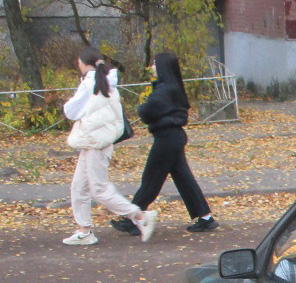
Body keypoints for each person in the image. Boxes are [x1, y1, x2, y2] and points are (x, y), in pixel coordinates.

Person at [112, 52, 218, 235]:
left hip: (166, 138)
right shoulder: (172, 86)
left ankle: (134, 219)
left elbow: (147, 111)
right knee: (184, 179)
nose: (152, 66)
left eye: (155, 63)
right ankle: (206, 218)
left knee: (151, 179)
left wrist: (140, 108)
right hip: (173, 137)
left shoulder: (164, 89)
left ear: (162, 67)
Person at [62, 47, 158, 245]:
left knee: (98, 189)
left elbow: (71, 111)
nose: (77, 64)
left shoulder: (90, 84)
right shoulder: (107, 82)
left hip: (95, 142)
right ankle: (85, 231)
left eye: (78, 61)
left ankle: (140, 217)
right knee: (79, 186)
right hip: (97, 141)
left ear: (84, 62)